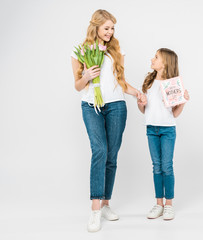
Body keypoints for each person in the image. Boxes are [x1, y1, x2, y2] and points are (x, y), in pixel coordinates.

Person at [70, 9, 144, 232]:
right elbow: (78, 86)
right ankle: (94, 211)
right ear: (96, 27)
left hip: (116, 106)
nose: (110, 32)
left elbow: (121, 82)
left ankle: (105, 204)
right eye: (106, 28)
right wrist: (86, 76)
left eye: (112, 28)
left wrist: (137, 93)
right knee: (99, 150)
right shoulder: (80, 52)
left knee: (111, 156)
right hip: (91, 105)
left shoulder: (117, 50)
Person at [137, 48, 190, 220]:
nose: (152, 59)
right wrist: (141, 102)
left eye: (156, 57)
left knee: (167, 166)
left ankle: (169, 205)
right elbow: (143, 109)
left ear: (165, 63)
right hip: (151, 129)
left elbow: (174, 114)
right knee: (156, 166)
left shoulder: (172, 85)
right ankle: (158, 203)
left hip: (167, 129)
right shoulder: (149, 82)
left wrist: (183, 101)